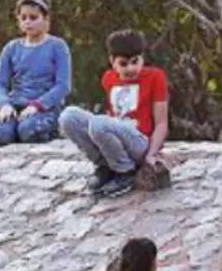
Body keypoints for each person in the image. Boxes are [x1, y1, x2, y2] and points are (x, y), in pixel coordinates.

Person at [60, 29, 170, 198]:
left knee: (99, 123)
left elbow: (161, 123)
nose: (131, 68)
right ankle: (105, 166)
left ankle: (125, 172)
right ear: (113, 62)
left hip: (140, 142)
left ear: (142, 58)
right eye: (124, 64)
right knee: (68, 116)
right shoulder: (108, 78)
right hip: (118, 136)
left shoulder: (155, 77)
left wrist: (151, 155)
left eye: (135, 62)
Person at [0, 0, 72, 145]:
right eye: (23, 18)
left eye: (33, 18)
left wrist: (37, 105)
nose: (28, 22)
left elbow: (63, 86)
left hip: (46, 109)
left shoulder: (57, 46)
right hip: (16, 105)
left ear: (46, 19)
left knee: (28, 131)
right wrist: (4, 105)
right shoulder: (11, 48)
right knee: (2, 134)